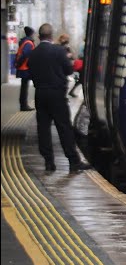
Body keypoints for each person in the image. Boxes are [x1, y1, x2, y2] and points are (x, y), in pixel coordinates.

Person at [26, 24, 92, 172]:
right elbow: (69, 69)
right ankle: (73, 161)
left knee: (43, 128)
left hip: (40, 94)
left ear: (39, 36)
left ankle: (49, 162)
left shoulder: (34, 53)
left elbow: (30, 72)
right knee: (64, 127)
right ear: (51, 36)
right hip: (57, 94)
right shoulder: (58, 51)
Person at [15, 26, 36, 111]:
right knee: (24, 88)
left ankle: (23, 104)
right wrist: (20, 64)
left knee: (24, 87)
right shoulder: (29, 43)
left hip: (23, 67)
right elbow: (25, 54)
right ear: (31, 34)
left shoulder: (24, 41)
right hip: (25, 68)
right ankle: (24, 105)